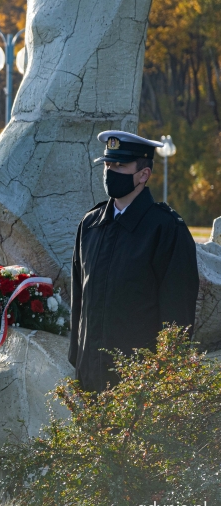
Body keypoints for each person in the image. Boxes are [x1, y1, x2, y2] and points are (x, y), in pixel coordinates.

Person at [69, 131, 198, 393]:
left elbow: (178, 312)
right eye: (108, 164)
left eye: (120, 165)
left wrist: (166, 376)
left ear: (143, 174)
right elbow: (78, 302)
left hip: (139, 385)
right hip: (90, 376)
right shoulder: (90, 224)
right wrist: (78, 361)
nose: (111, 171)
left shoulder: (165, 228)